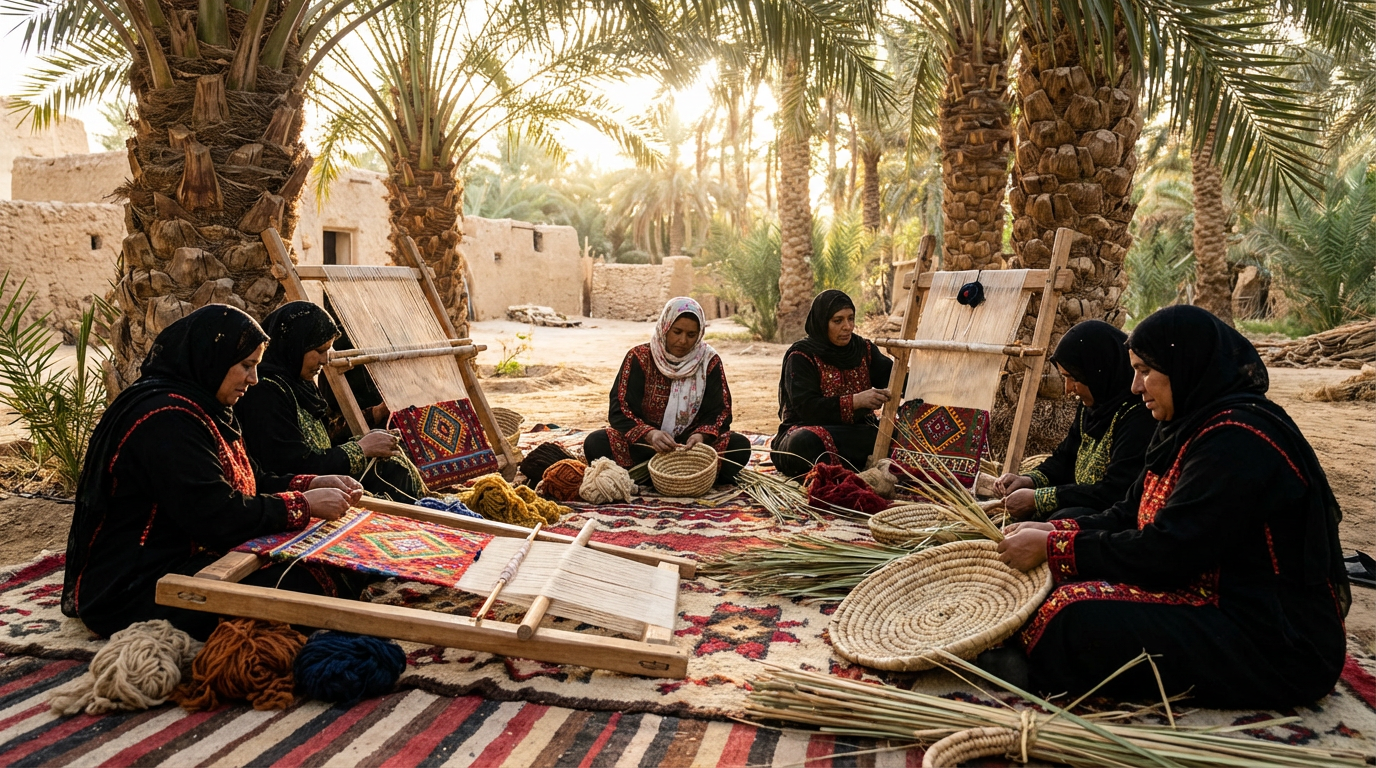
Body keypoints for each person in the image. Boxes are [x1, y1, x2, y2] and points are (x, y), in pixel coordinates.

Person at [996, 305, 1348, 708]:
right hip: (1200, 587)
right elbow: (1128, 510)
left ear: (1186, 365)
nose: (1135, 386)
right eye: (1133, 370)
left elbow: (1168, 550)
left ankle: (1042, 662)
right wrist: (1054, 532)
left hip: (1268, 635)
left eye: (1145, 370)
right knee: (1058, 580)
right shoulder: (1185, 426)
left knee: (1071, 614)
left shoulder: (1236, 441)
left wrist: (1054, 548)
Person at [63, 305, 370, 640]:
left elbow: (249, 481)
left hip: (191, 554)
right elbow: (216, 514)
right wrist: (302, 506)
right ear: (212, 358)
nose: (254, 378)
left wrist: (311, 482)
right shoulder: (166, 420)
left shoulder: (205, 406)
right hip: (137, 584)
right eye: (247, 366)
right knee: (308, 581)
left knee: (334, 562)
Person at [235, 301, 426, 501]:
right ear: (294, 346)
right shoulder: (265, 393)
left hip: (321, 484)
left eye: (328, 350)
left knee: (393, 467)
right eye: (319, 350)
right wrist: (360, 449)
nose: (325, 360)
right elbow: (290, 466)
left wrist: (374, 418)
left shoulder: (299, 384)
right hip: (302, 497)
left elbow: (325, 438)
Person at [994, 320, 1153, 520]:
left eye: (1074, 378)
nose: (1068, 389)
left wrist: (1038, 498)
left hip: (1115, 517)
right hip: (1090, 504)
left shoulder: (1140, 415)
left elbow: (1115, 491)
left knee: (1064, 518)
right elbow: (1066, 458)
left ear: (1099, 371)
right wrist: (1028, 480)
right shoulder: (1093, 407)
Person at [583, 297, 752, 486]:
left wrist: (700, 437)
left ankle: (669, 476)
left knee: (739, 446)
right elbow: (620, 409)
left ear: (700, 334)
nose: (683, 341)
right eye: (677, 332)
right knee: (596, 442)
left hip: (690, 451)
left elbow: (721, 411)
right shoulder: (639, 357)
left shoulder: (708, 362)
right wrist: (650, 434)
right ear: (665, 327)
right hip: (645, 446)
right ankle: (674, 476)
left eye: (691, 334)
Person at [771, 290, 893, 477]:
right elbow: (807, 408)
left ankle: (851, 465)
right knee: (802, 443)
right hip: (809, 430)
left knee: (896, 436)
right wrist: (856, 401)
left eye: (851, 318)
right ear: (822, 322)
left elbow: (894, 378)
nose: (848, 327)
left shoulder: (863, 349)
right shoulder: (802, 356)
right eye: (838, 321)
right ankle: (857, 465)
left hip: (857, 432)